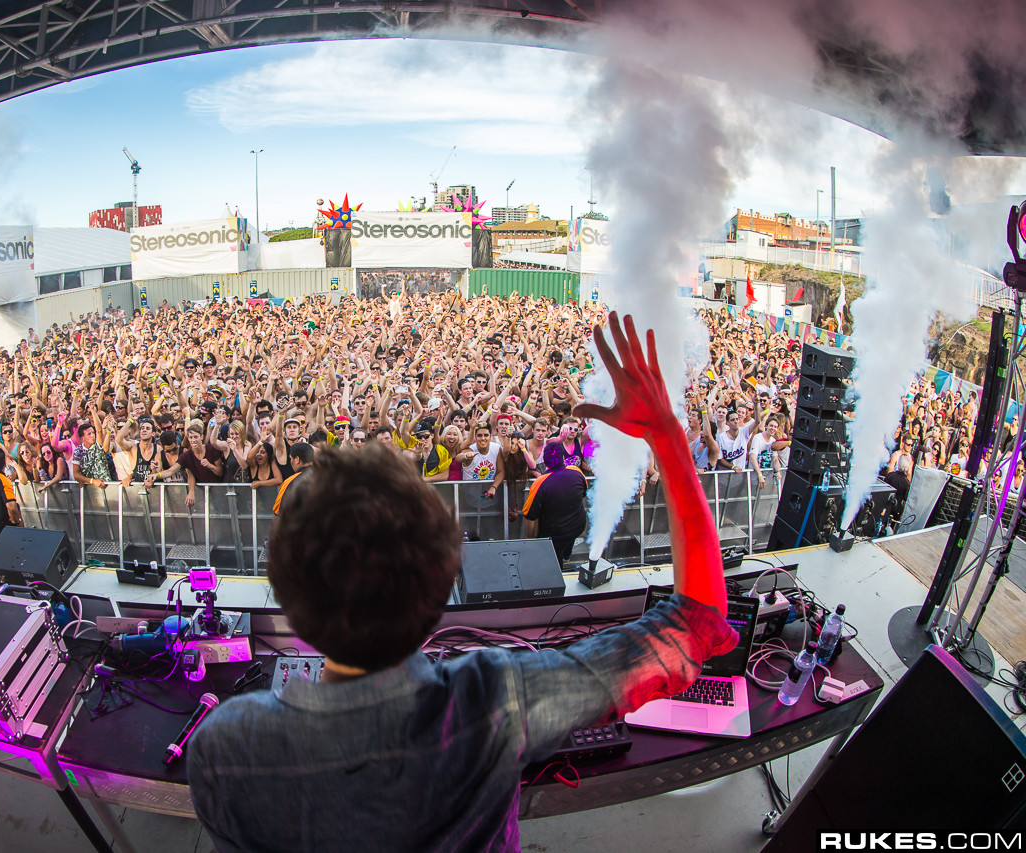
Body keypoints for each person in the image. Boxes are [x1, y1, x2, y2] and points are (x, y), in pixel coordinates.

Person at [187, 312, 735, 851]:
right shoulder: (494, 701)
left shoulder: (225, 748)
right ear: (441, 587)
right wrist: (667, 435)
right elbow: (698, 623)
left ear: (287, 597)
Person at [521, 441, 588, 567]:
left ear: (545, 461)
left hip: (554, 534)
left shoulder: (540, 483)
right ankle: (567, 555)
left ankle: (560, 567)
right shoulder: (576, 471)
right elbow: (583, 493)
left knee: (555, 562)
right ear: (563, 457)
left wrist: (530, 538)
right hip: (577, 525)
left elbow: (529, 514)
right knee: (567, 542)